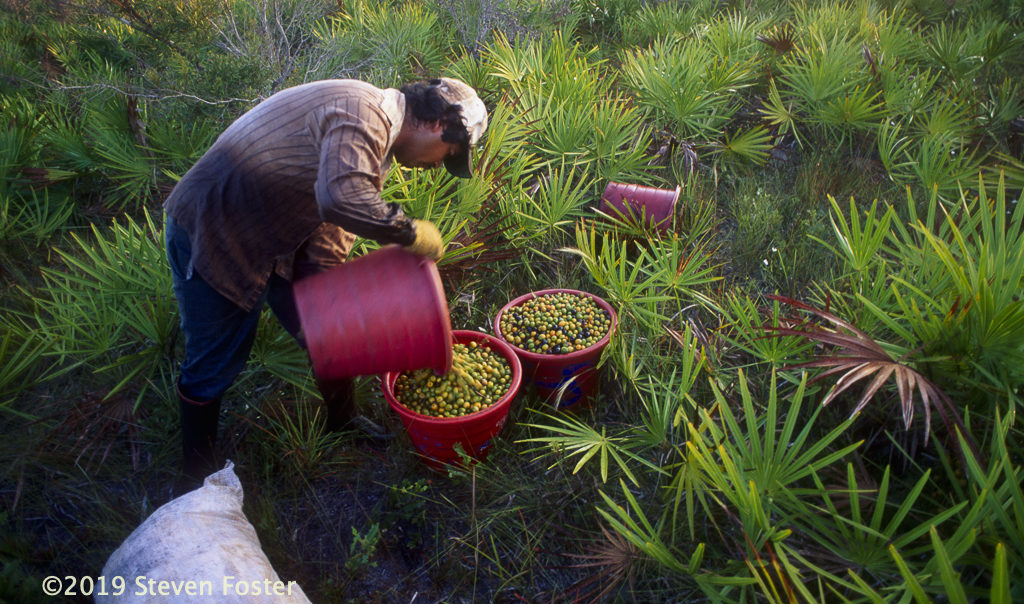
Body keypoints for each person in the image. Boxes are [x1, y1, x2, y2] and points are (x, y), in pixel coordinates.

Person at [163, 77, 488, 482]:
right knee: (213, 363)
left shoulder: (376, 143)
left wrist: (330, 312)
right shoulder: (365, 112)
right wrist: (408, 232)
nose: (438, 165)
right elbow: (343, 198)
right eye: (448, 154)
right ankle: (196, 480)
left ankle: (343, 421)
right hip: (215, 227)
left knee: (328, 333)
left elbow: (332, 229)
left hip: (275, 236)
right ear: (438, 123)